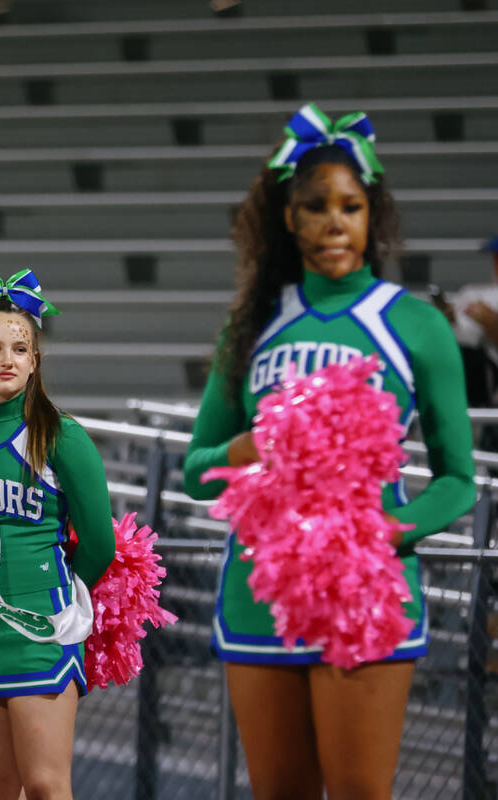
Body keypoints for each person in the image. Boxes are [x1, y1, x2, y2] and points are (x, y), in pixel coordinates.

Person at [183, 104, 476, 800]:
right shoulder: (252, 326)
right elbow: (197, 470)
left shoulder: (414, 323)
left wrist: (386, 534)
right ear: (288, 219)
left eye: (351, 205)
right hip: (261, 595)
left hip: (366, 594)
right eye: (316, 206)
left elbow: (458, 479)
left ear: (372, 216)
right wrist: (246, 446)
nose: (335, 222)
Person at [0, 265, 116, 800]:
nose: (6, 360)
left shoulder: (63, 436)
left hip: (42, 631)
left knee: (43, 787)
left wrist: (54, 593)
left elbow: (100, 546)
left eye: (19, 349)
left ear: (35, 360)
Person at [430, 235, 498, 408]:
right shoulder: (475, 294)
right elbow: (464, 340)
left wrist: (493, 325)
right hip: (482, 391)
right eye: (495, 258)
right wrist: (448, 319)